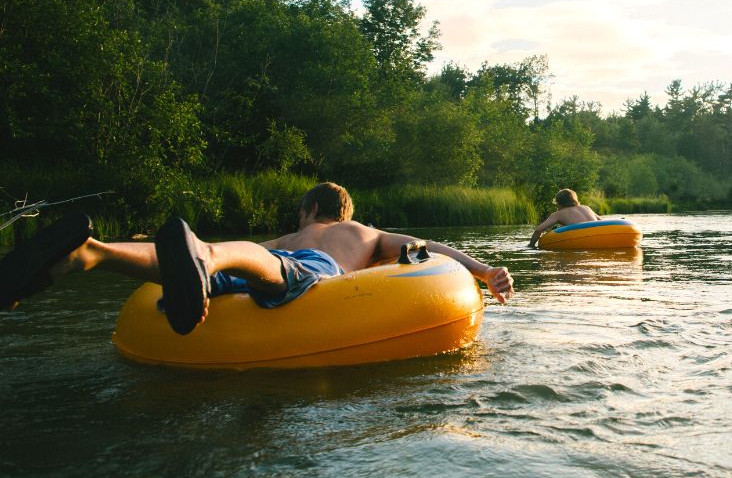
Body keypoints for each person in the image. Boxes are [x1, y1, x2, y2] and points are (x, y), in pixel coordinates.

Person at [0, 182, 513, 335]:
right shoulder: (362, 232)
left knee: (236, 259)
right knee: (238, 261)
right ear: (343, 211)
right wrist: (484, 270)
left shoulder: (291, 236)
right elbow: (427, 251)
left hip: (254, 269)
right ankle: (195, 256)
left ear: (310, 208)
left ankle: (91, 255)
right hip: (301, 275)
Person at [527, 188, 601, 248]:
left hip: (582, 240)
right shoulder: (586, 207)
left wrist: (531, 246)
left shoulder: (558, 214)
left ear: (558, 203)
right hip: (599, 237)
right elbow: (600, 221)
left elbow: (538, 230)